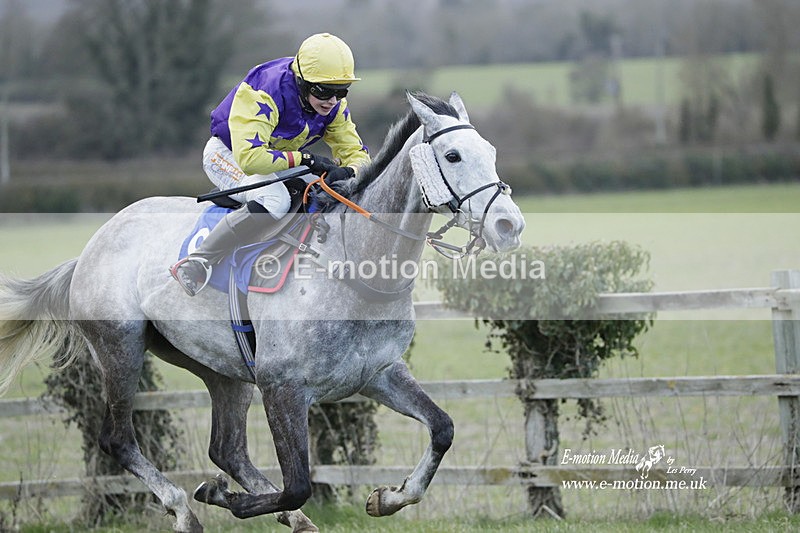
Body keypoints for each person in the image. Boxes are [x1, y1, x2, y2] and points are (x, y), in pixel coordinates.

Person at [170, 33, 370, 296]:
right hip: (229, 156)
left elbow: (359, 155)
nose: (333, 100)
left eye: (341, 91)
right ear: (302, 82)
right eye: (324, 91)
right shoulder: (265, 91)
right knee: (275, 199)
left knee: (326, 190)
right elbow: (251, 159)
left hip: (276, 160)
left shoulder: (332, 105)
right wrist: (306, 159)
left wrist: (348, 170)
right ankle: (199, 261)